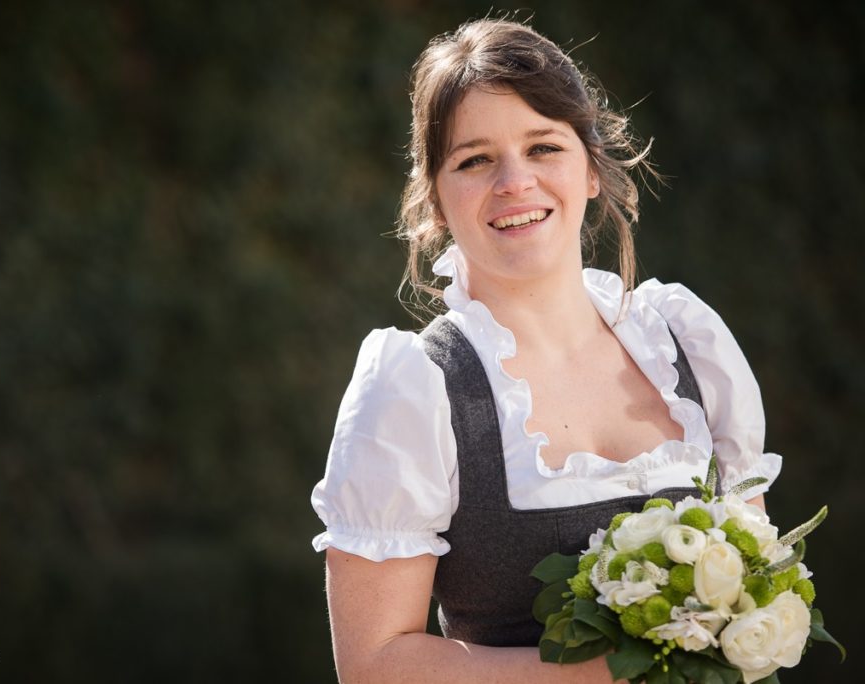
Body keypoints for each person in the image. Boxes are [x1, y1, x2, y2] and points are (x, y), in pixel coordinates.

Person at [310, 17, 782, 683]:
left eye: (543, 147)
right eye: (474, 160)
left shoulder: (688, 347)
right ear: (436, 201)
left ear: (591, 168)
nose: (514, 182)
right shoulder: (416, 390)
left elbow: (757, 586)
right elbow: (376, 662)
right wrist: (608, 674)